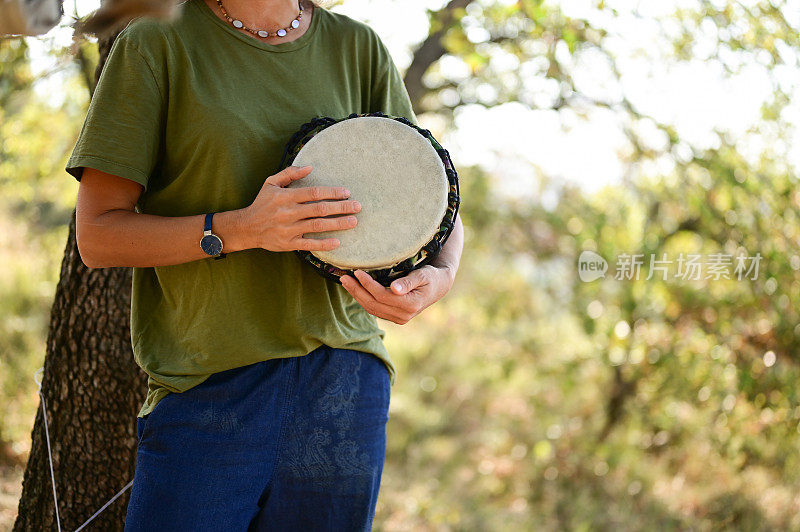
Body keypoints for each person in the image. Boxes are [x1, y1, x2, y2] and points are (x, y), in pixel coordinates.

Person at [66, 0, 464, 530]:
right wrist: (240, 229)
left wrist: (439, 276)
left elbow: (433, 198)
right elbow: (98, 236)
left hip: (344, 382)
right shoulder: (155, 43)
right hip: (207, 385)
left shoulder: (357, 48)